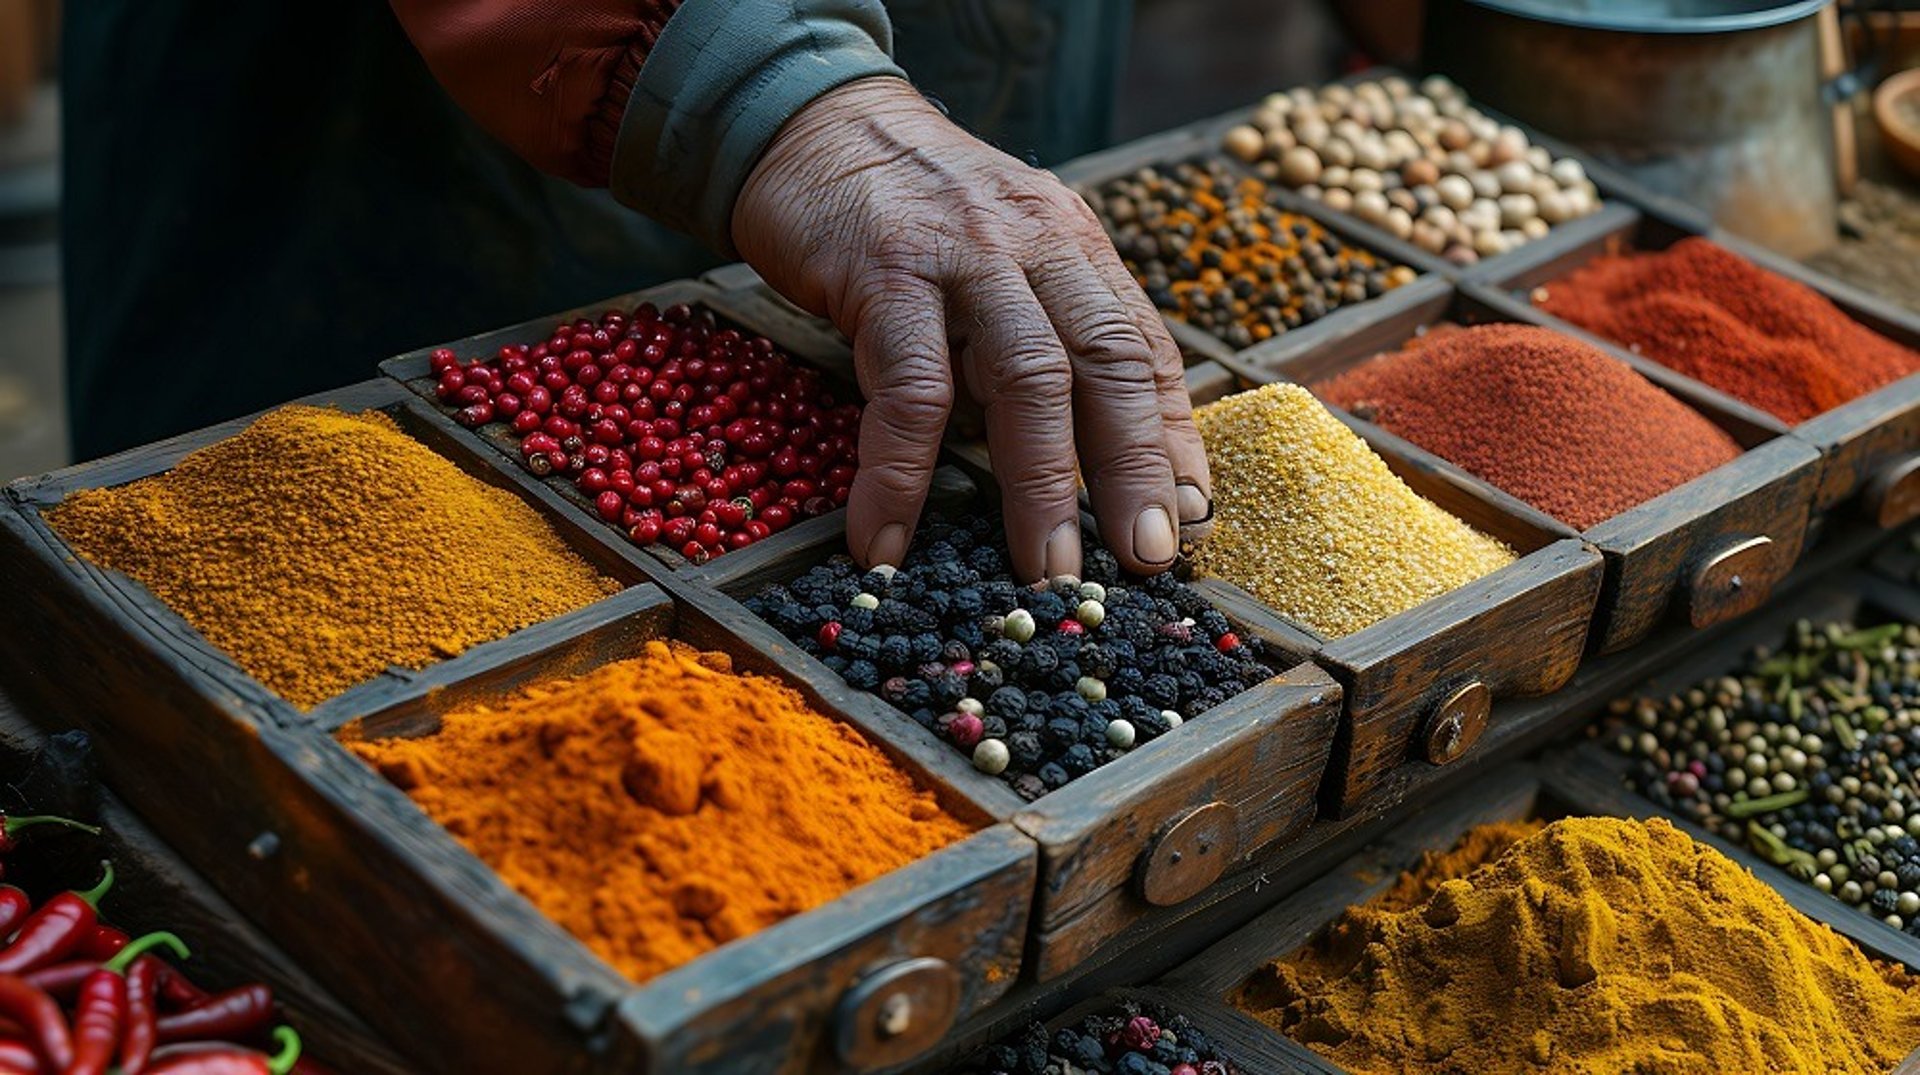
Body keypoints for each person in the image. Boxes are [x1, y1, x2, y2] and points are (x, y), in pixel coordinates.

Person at [61, 0, 1210, 582]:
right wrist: (775, 88)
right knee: (287, 534)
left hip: (930, 81)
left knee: (949, 354)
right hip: (446, 100)